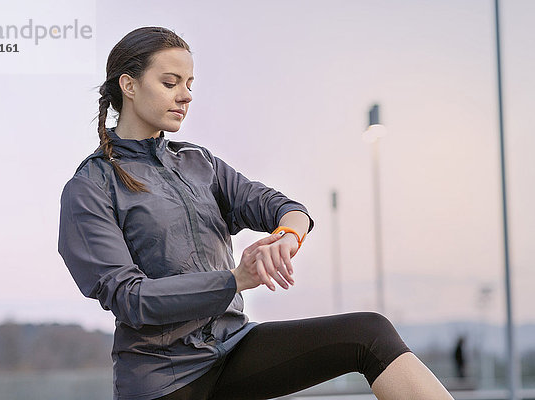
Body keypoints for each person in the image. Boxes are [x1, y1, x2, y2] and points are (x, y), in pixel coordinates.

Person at [57, 26, 454, 400]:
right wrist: (235, 279)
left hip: (232, 349)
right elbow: (130, 299)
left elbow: (287, 209)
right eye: (170, 83)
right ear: (128, 85)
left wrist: (286, 237)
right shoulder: (90, 188)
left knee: (369, 332)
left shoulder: (199, 164)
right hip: (161, 379)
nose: (186, 95)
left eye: (190, 84)